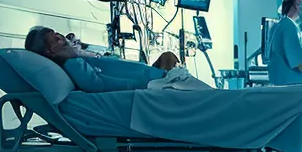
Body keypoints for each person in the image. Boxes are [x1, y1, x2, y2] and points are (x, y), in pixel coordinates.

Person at [23, 27, 203, 91]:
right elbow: (97, 85)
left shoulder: (80, 58)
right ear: (49, 52)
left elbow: (110, 60)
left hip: (160, 77)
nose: (62, 38)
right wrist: (73, 57)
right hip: (157, 85)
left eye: (58, 34)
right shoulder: (73, 65)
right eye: (55, 40)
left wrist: (80, 52)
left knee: (169, 57)